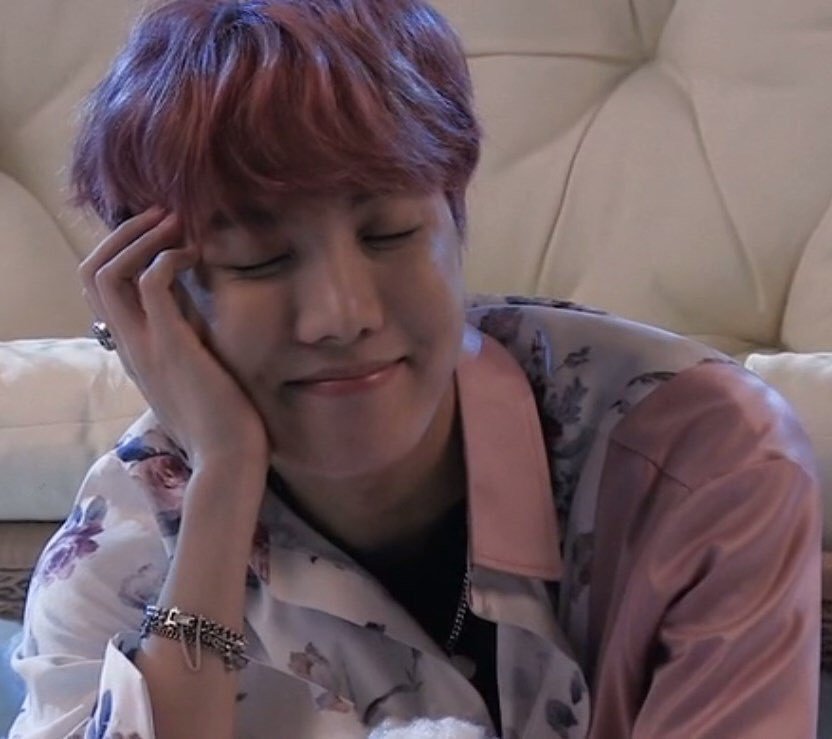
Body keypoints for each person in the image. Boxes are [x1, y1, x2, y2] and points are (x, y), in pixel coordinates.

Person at [8, 1, 821, 737]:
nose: (342, 314)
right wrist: (222, 486)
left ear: (454, 217)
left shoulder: (701, 460)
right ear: (157, 297)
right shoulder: (120, 550)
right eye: (258, 258)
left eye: (390, 233)